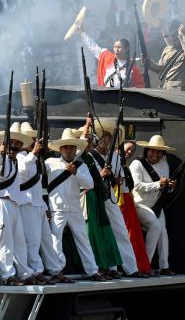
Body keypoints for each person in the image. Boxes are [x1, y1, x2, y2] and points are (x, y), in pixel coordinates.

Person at [83, 118, 140, 278]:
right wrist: (101, 176)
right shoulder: (90, 156)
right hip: (95, 198)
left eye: (108, 137)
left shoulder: (114, 157)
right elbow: (86, 179)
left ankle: (131, 268)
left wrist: (113, 178)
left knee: (120, 232)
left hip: (110, 196)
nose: (104, 140)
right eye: (102, 137)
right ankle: (109, 267)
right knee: (102, 233)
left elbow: (119, 179)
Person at [0, 123, 41, 286]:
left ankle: (24, 273)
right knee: (6, 241)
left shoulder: (14, 162)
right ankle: (8, 275)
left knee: (20, 242)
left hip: (14, 204)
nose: (15, 146)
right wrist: (0, 154)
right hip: (0, 203)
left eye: (18, 143)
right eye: (12, 143)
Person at [45, 128, 105, 281]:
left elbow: (90, 185)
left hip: (75, 208)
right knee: (55, 241)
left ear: (75, 149)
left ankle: (92, 271)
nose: (68, 150)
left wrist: (76, 172)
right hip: (57, 208)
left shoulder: (81, 166)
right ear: (60, 149)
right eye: (65, 147)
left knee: (83, 240)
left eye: (71, 147)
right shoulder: (50, 163)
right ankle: (57, 272)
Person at [78, 119, 124, 279]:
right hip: (88, 198)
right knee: (92, 233)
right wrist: (87, 125)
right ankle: (98, 267)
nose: (90, 142)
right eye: (88, 140)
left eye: (91, 140)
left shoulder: (88, 157)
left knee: (105, 232)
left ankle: (108, 266)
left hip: (98, 197)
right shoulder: (81, 157)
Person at [16, 122, 61, 285]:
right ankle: (35, 271)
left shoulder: (35, 158)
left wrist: (44, 205)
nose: (36, 141)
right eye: (33, 139)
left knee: (46, 240)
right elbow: (22, 171)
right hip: (27, 203)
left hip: (38, 203)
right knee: (32, 241)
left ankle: (55, 270)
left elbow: (39, 186)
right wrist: (34, 153)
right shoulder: (22, 156)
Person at [130, 135, 176, 276]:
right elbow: (136, 186)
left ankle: (164, 265)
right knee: (155, 226)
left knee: (163, 232)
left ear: (162, 153)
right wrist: (157, 183)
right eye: (152, 151)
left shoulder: (164, 164)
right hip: (138, 205)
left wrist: (170, 186)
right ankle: (145, 265)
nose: (155, 154)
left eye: (158, 152)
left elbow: (164, 188)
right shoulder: (137, 164)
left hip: (156, 205)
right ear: (147, 150)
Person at [116, 140, 152, 275]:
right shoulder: (115, 161)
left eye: (132, 150)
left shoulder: (124, 163)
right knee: (126, 234)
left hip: (127, 200)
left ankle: (138, 266)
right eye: (128, 149)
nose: (129, 152)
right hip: (119, 201)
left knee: (133, 234)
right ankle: (130, 267)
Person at [70, 25, 145, 88]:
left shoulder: (134, 69)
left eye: (119, 47)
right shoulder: (107, 57)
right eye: (115, 47)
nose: (116, 50)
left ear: (126, 48)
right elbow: (93, 47)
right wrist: (82, 33)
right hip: (106, 99)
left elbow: (140, 86)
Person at [146, 21, 185, 91]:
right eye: (173, 35)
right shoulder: (167, 50)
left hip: (179, 90)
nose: (174, 37)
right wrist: (149, 62)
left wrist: (181, 34)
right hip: (165, 88)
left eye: (176, 35)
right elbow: (160, 70)